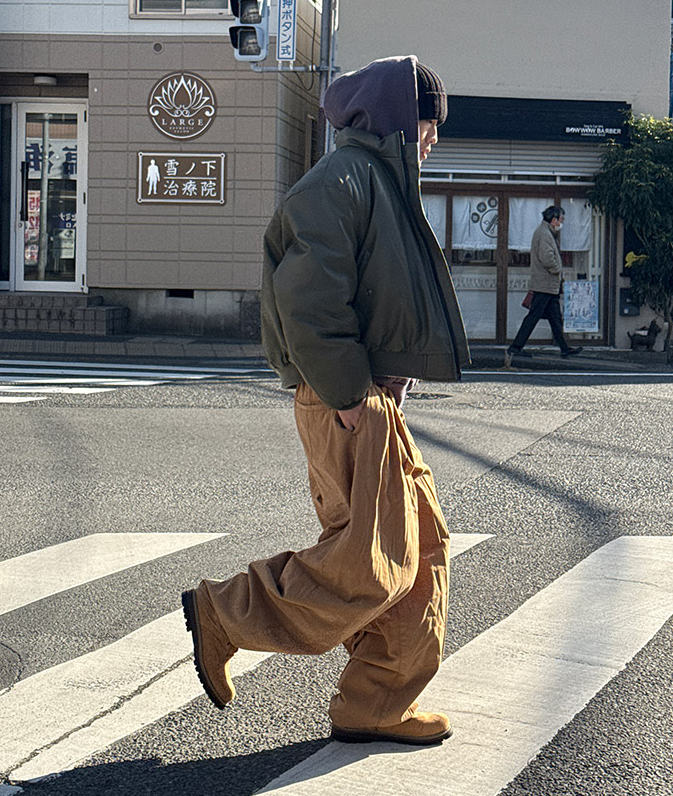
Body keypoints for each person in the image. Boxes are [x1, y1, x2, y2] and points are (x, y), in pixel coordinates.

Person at [181, 55, 469, 747]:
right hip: (346, 397)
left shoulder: (377, 181)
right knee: (369, 563)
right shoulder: (343, 180)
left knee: (420, 548)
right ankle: (225, 612)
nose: (434, 139)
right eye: (429, 124)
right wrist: (347, 394)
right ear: (400, 118)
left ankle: (375, 702)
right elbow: (307, 298)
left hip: (370, 398)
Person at [506, 205, 583, 361]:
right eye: (561, 219)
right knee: (534, 316)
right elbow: (547, 258)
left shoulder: (545, 232)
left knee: (555, 318)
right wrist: (557, 269)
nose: (562, 223)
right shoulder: (545, 234)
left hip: (548, 286)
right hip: (544, 284)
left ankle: (564, 348)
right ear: (554, 220)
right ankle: (515, 347)